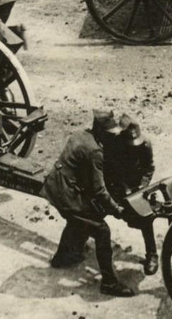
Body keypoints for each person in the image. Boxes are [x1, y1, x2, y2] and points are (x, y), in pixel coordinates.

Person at [40, 110, 137, 295]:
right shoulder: (95, 152)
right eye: (109, 133)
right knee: (100, 229)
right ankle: (109, 282)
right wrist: (118, 210)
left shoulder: (81, 135)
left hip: (56, 184)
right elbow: (100, 191)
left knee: (82, 219)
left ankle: (62, 257)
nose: (112, 136)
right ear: (100, 131)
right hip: (65, 195)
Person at [102, 115, 159, 275]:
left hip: (136, 186)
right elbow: (110, 169)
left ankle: (152, 254)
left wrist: (142, 185)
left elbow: (149, 167)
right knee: (95, 209)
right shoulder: (114, 144)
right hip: (115, 185)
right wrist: (122, 188)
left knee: (145, 217)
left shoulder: (145, 144)